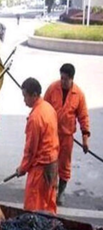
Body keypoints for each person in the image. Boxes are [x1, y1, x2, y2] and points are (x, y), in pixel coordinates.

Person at [44, 63, 90, 206]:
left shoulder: (79, 95)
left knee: (64, 165)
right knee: (49, 162)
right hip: (51, 135)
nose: (62, 81)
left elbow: (83, 117)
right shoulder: (52, 88)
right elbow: (43, 107)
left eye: (65, 79)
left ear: (71, 79)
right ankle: (49, 189)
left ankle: (61, 191)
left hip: (66, 137)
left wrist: (85, 138)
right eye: (61, 78)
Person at [16, 78, 59, 214]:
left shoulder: (35, 118)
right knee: (49, 206)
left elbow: (30, 150)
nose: (24, 101)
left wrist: (22, 168)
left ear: (34, 95)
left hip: (40, 169)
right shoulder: (48, 108)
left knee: (33, 209)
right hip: (52, 165)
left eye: (25, 96)